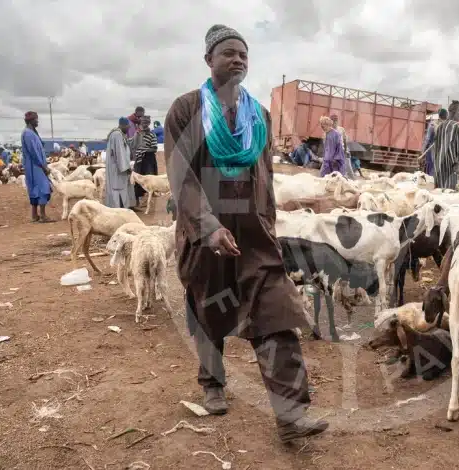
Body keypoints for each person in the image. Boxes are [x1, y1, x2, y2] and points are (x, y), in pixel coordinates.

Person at [164, 23, 328, 442]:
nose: (238, 59)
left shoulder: (260, 114)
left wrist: (268, 224)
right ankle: (213, 383)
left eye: (243, 54)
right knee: (208, 309)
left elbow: (265, 175)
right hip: (206, 237)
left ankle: (291, 417)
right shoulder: (186, 110)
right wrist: (207, 226)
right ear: (208, 61)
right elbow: (181, 177)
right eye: (228, 53)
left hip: (253, 235)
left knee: (276, 313)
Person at [20, 112, 54, 222]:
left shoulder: (31, 132)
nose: (37, 121)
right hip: (35, 166)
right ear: (31, 121)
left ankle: (34, 216)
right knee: (43, 188)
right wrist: (43, 166)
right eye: (36, 119)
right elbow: (34, 152)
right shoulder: (28, 134)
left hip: (34, 165)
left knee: (34, 188)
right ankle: (43, 216)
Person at [105, 118, 135, 208]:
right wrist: (126, 167)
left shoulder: (117, 134)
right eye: (127, 127)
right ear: (122, 126)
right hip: (118, 168)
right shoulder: (117, 135)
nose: (128, 129)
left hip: (116, 167)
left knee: (118, 187)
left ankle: (118, 206)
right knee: (118, 188)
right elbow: (120, 152)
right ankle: (119, 207)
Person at [432, 102, 459, 189]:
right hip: (449, 169)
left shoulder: (440, 126)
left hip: (438, 168)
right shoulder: (455, 126)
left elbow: (436, 146)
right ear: (454, 112)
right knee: (449, 195)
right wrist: (456, 164)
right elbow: (453, 147)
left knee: (439, 194)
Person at [132, 115, 159, 208]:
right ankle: (137, 201)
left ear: (149, 123)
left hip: (149, 160)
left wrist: (144, 150)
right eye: (143, 122)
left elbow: (154, 148)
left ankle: (147, 202)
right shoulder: (137, 134)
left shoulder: (152, 134)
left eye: (146, 123)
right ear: (140, 123)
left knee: (149, 180)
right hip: (139, 160)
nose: (144, 124)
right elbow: (134, 146)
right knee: (137, 180)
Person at [330, 114, 355, 179]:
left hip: (343, 151)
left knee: (349, 169)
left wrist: (345, 151)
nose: (334, 122)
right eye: (333, 120)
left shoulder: (341, 129)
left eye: (336, 120)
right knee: (334, 170)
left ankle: (352, 182)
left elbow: (345, 140)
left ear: (337, 121)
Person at [421, 110, 444, 176]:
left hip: (432, 148)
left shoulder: (432, 124)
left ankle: (431, 178)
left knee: (431, 164)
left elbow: (427, 139)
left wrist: (422, 150)